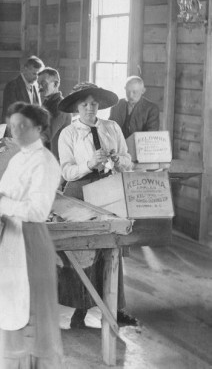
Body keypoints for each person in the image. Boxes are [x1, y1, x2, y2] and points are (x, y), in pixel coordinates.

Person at [0, 102, 63, 368]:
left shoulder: (45, 161)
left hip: (30, 244)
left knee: (26, 312)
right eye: (13, 126)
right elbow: (8, 198)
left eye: (23, 126)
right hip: (10, 240)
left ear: (39, 128)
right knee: (6, 307)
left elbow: (38, 211)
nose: (16, 131)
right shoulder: (17, 157)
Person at [57, 82, 136, 328]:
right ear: (76, 107)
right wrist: (89, 164)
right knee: (82, 251)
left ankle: (113, 309)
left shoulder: (111, 127)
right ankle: (79, 310)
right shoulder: (68, 133)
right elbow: (67, 170)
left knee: (112, 247)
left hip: (108, 191)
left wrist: (117, 159)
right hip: (79, 192)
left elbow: (127, 158)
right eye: (84, 104)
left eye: (93, 103)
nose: (90, 108)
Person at [38, 67, 71, 159]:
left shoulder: (61, 106)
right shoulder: (47, 103)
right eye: (39, 84)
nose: (40, 87)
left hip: (56, 160)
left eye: (43, 84)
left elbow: (46, 135)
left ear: (56, 84)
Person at [1, 56, 44, 123]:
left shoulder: (36, 86)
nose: (36, 78)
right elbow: (12, 114)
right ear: (25, 69)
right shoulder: (12, 86)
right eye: (34, 74)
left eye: (38, 74)